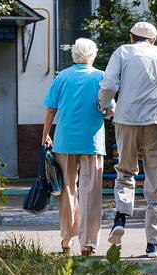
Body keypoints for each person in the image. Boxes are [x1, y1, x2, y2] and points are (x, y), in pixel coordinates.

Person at [99, 22, 157, 258]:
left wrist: (103, 105)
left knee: (126, 172)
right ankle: (153, 245)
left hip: (126, 120)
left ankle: (120, 218)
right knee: (155, 179)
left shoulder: (121, 52)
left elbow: (109, 85)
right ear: (154, 40)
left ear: (131, 37)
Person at [42, 38, 114, 256]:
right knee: (91, 192)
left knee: (67, 190)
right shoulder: (101, 77)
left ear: (74, 55)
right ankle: (88, 243)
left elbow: (50, 110)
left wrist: (45, 135)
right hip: (92, 142)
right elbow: (110, 110)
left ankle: (66, 240)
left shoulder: (62, 77)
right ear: (93, 55)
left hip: (65, 141)